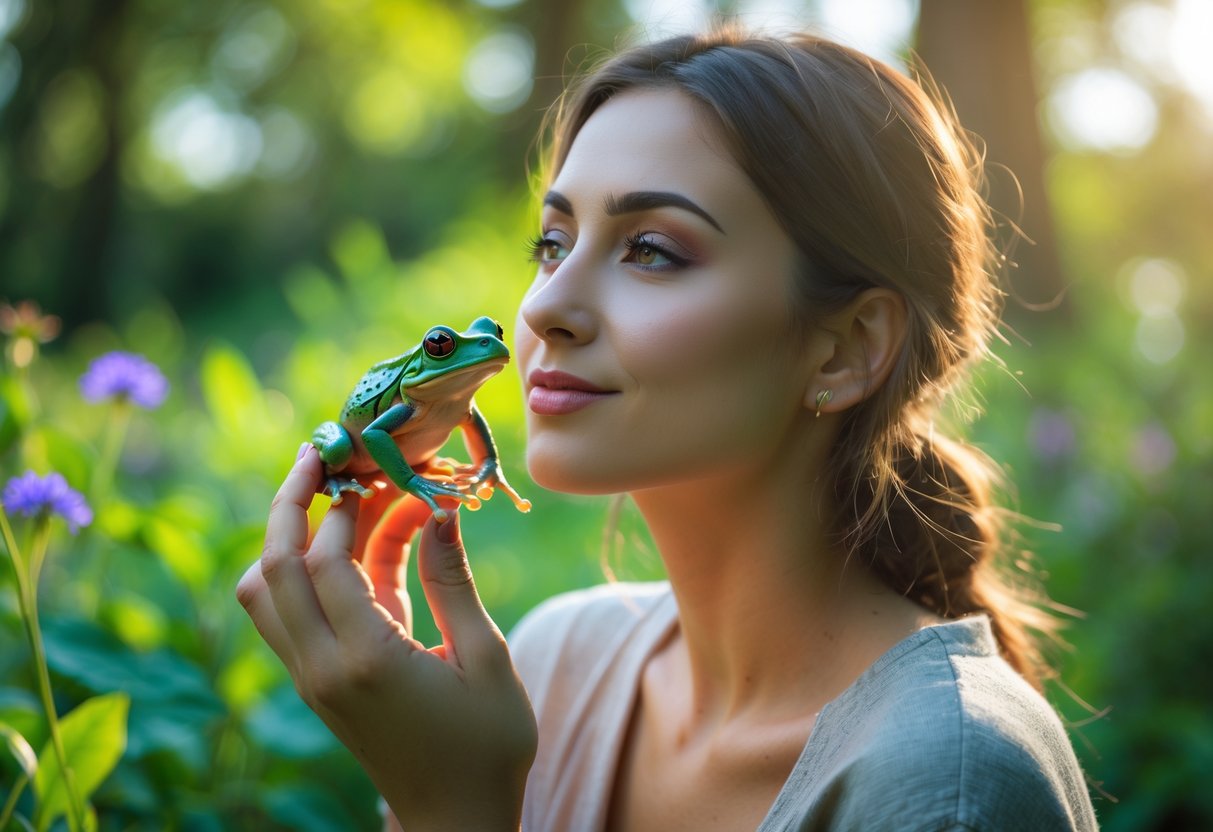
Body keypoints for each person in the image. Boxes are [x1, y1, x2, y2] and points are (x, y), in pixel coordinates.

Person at [237, 25, 1099, 831]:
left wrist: (453, 809)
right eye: (550, 243)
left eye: (650, 248)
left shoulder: (946, 781)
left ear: (844, 350)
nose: (545, 308)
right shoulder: (546, 667)